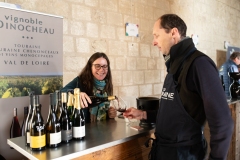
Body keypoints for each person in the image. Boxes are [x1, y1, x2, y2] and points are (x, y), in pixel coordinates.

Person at [123, 14, 234, 160]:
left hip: (185, 155)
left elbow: (223, 122)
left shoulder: (199, 64)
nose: (154, 42)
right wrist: (143, 114)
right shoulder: (174, 66)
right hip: (165, 153)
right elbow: (174, 115)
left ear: (173, 33)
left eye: (156, 35)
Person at [61, 52, 116, 123]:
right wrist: (76, 94)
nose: (102, 69)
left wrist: (110, 114)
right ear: (90, 67)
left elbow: (104, 111)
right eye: (97, 66)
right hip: (83, 129)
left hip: (102, 130)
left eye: (105, 66)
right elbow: (61, 92)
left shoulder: (106, 85)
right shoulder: (80, 81)